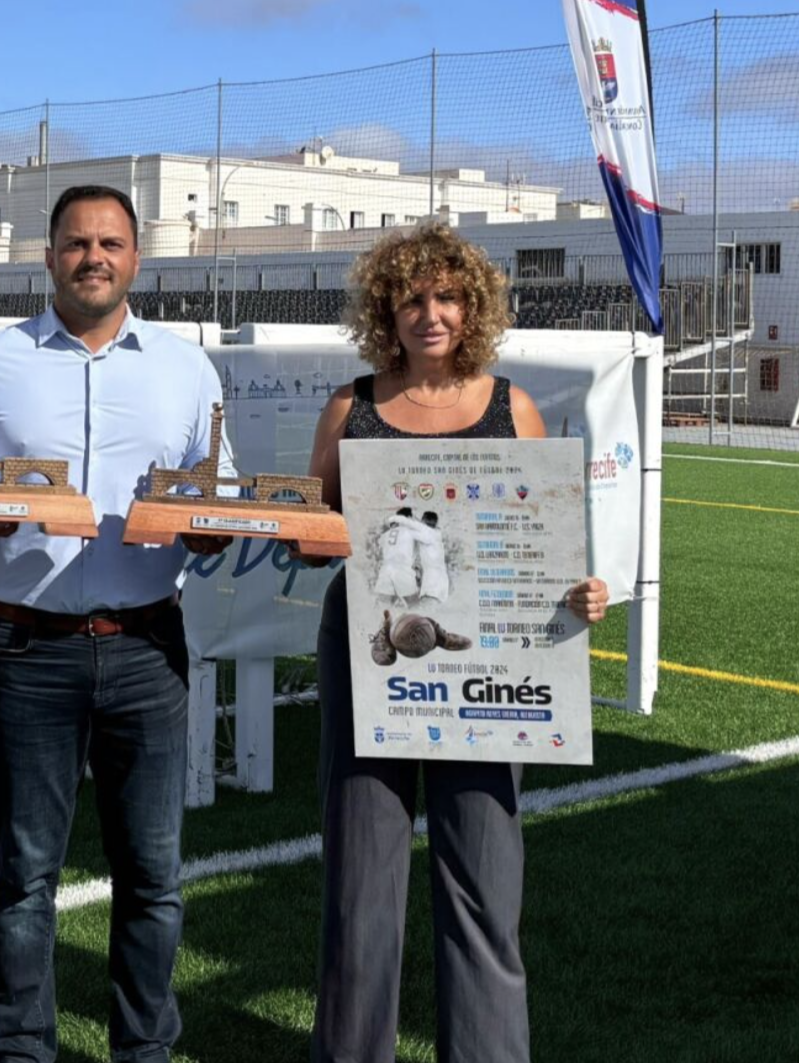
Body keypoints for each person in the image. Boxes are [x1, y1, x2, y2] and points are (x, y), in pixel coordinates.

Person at [0, 184, 233, 1063]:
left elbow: (216, 496)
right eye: (75, 243)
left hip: (147, 645)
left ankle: (144, 1050)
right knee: (24, 876)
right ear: (48, 253)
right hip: (28, 647)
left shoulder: (186, 368)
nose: (92, 257)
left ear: (137, 257)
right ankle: (21, 1052)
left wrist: (210, 530)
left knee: (155, 876)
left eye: (110, 242)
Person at [296, 223, 610, 1063]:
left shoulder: (515, 407)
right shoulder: (350, 405)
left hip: (486, 669)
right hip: (371, 654)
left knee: (483, 877)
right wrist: (311, 532)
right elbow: (315, 527)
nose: (429, 315)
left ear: (470, 307)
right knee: (360, 887)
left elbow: (544, 544)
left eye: (445, 297)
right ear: (384, 312)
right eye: (411, 299)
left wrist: (580, 592)